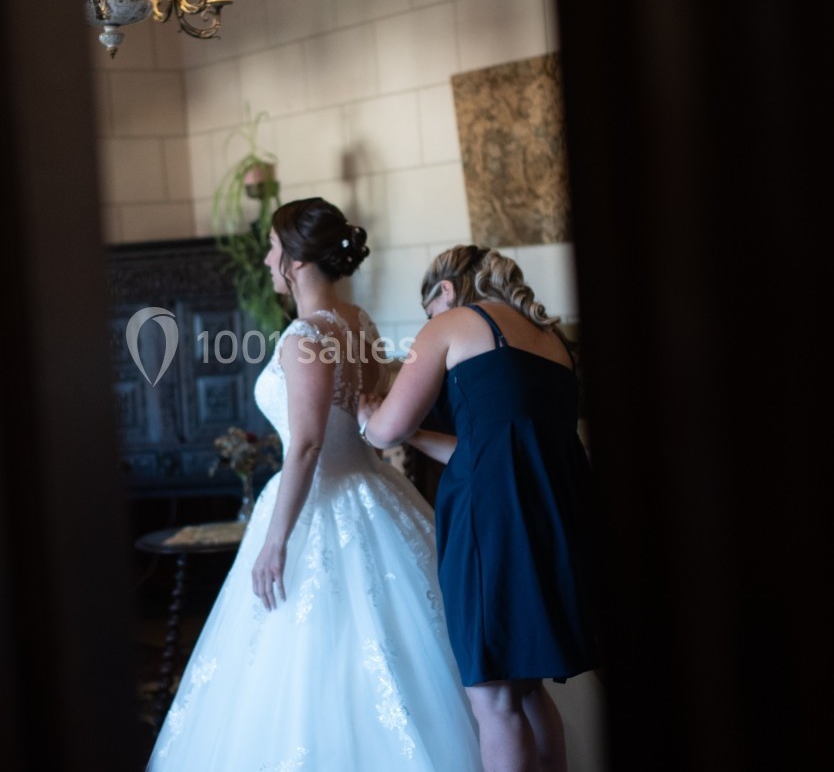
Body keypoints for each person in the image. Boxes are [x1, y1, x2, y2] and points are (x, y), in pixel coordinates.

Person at [145, 201, 484, 772]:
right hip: (374, 492)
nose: (268, 258)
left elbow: (304, 446)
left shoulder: (303, 336)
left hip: (316, 501)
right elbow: (373, 430)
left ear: (296, 261)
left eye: (274, 248)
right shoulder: (359, 322)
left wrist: (276, 542)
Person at [357, 244, 599, 772]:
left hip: (491, 522)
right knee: (528, 688)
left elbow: (386, 430)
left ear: (445, 291)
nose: (430, 324)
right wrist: (421, 434)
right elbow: (491, 445)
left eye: (428, 313)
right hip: (551, 515)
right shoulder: (552, 342)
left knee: (491, 699)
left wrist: (365, 414)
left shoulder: (455, 323)